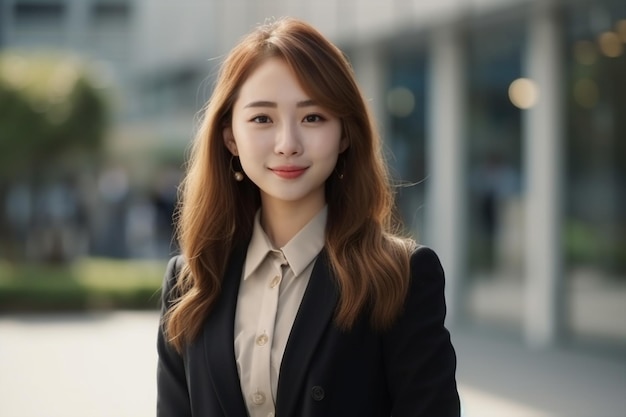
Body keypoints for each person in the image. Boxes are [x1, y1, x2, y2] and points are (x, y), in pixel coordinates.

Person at [157, 17, 460, 417]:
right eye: (262, 118)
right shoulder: (193, 280)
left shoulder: (399, 277)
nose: (288, 144)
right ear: (230, 135)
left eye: (313, 117)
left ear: (345, 134)